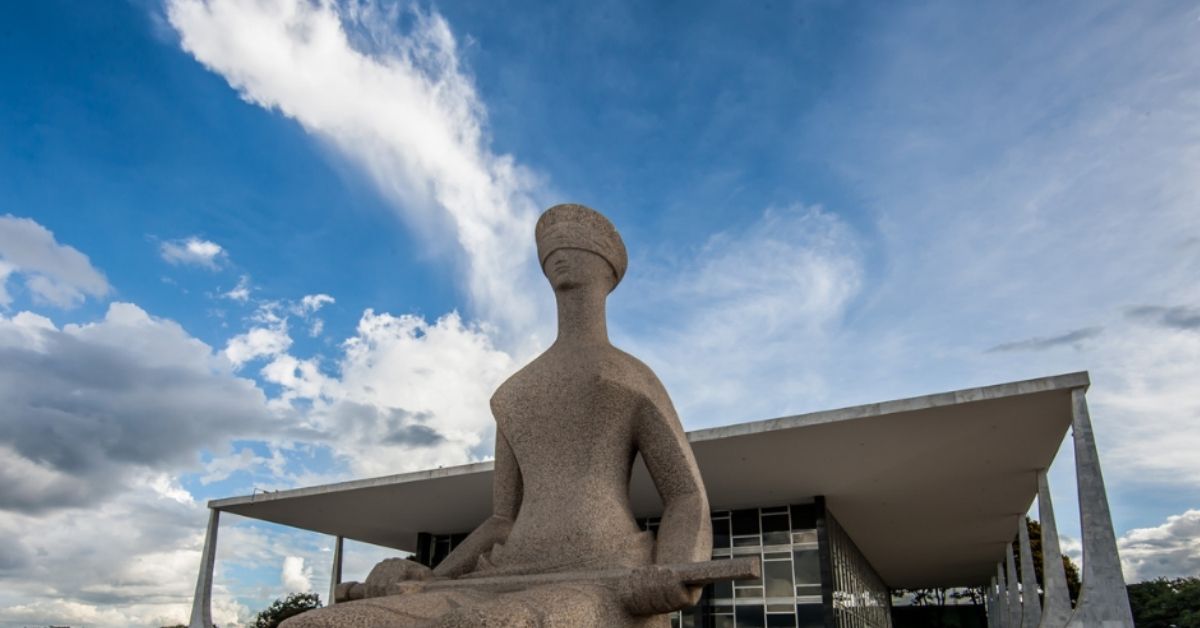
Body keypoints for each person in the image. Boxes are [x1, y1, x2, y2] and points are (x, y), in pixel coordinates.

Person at [285, 204, 712, 627]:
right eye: (550, 249)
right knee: (312, 625)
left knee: (488, 624)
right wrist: (432, 576)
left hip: (604, 572)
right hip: (502, 572)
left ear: (608, 267)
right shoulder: (515, 393)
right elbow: (502, 519)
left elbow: (685, 493)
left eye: (574, 245)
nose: (558, 255)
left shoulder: (629, 377)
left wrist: (671, 568)